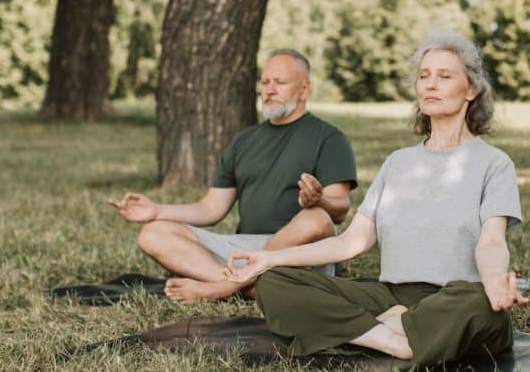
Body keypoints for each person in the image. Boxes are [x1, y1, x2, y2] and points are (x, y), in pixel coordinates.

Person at [224, 34, 527, 368]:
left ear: (471, 89)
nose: (430, 84)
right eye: (424, 76)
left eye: (444, 76)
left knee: (482, 307)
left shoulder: (494, 163)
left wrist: (495, 280)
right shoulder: (397, 162)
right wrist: (270, 259)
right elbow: (350, 243)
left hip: (454, 298)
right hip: (391, 298)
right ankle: (394, 341)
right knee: (275, 282)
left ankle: (363, 330)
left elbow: (491, 242)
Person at [108, 49, 357, 303]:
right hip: (244, 251)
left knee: (316, 218)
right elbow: (211, 209)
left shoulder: (329, 138)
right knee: (153, 233)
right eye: (265, 82)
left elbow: (338, 211)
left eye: (280, 83)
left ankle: (220, 289)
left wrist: (320, 200)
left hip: (297, 252)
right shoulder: (244, 141)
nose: (269, 90)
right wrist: (156, 211)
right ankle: (248, 288)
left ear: (304, 89)